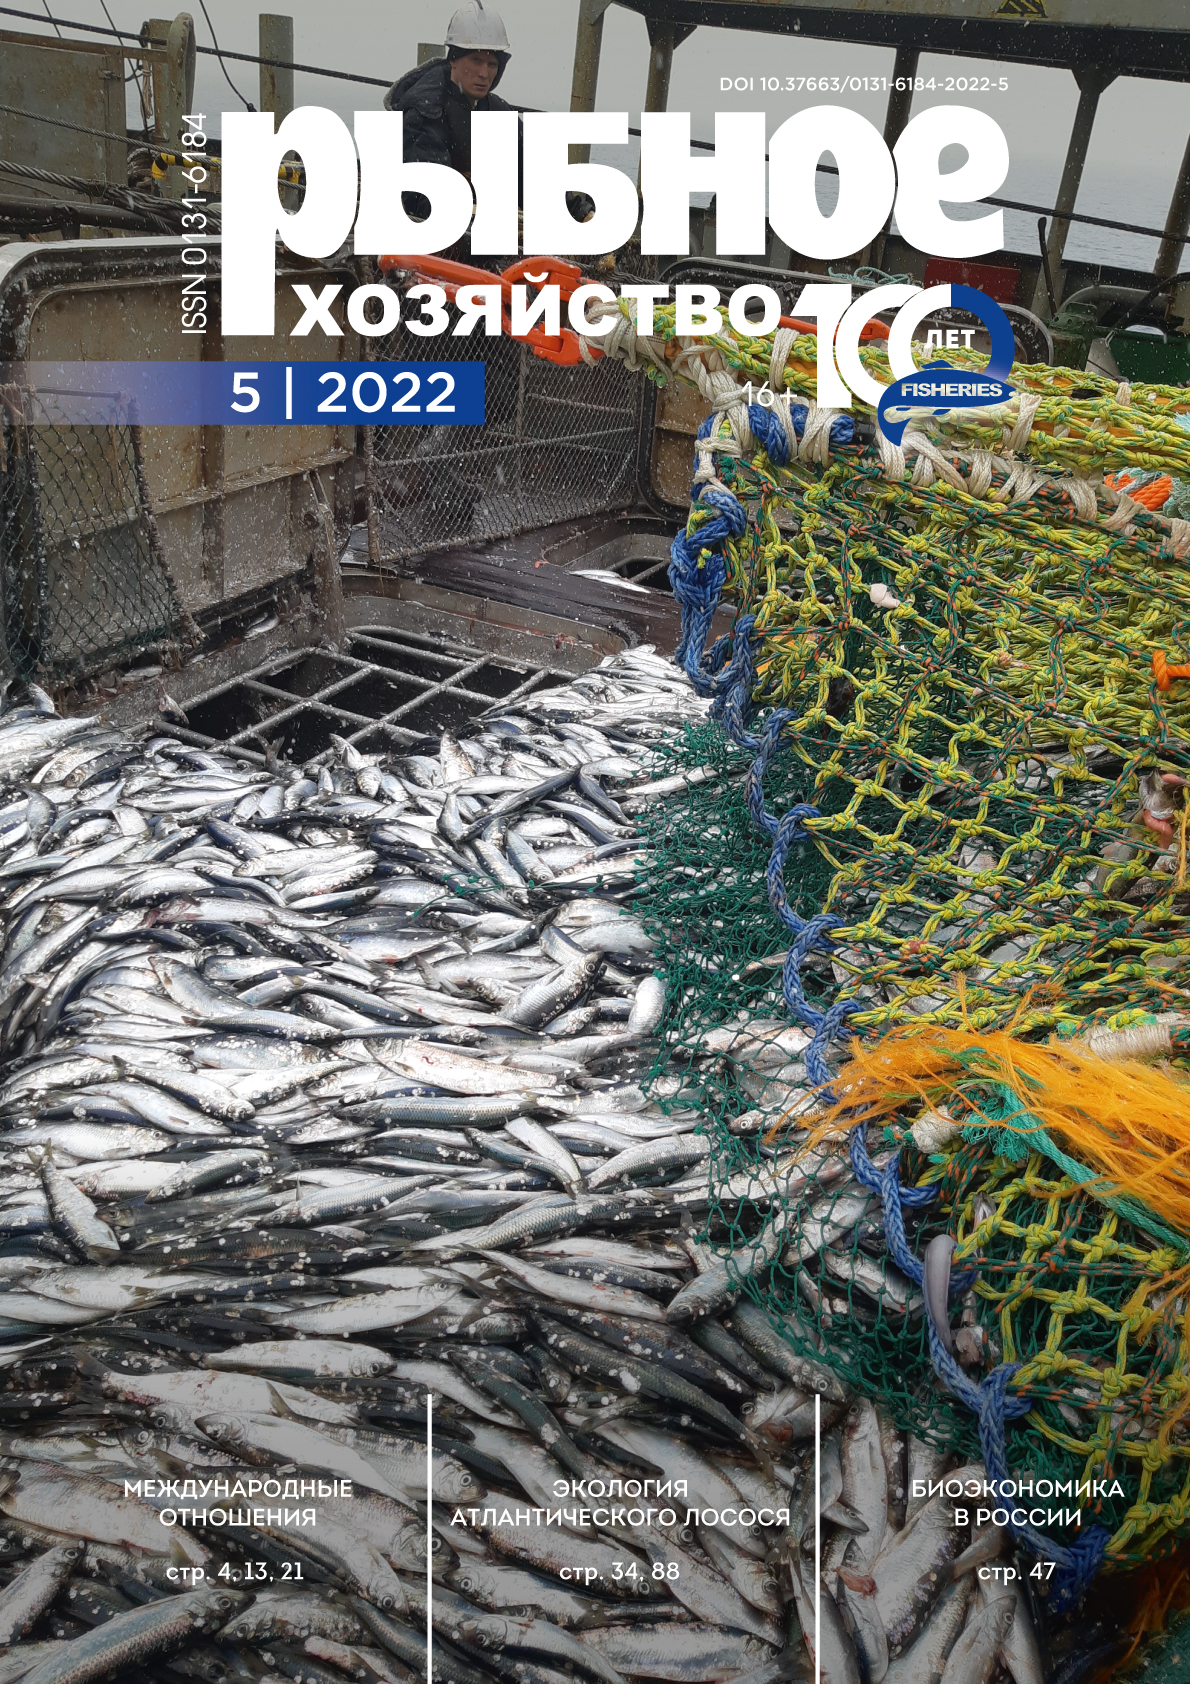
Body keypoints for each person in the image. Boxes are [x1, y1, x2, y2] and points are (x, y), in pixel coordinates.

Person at [384, 1, 514, 217]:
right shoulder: (425, 111)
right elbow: (429, 198)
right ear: (453, 59)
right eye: (476, 60)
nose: (484, 73)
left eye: (492, 64)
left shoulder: (496, 110)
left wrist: (573, 207)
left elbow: (532, 173)